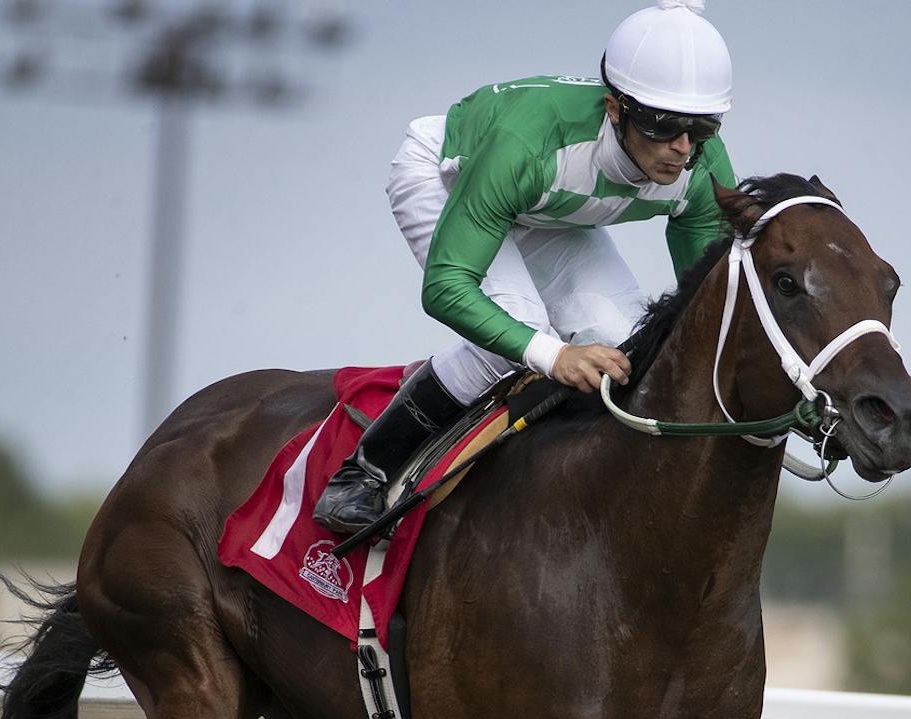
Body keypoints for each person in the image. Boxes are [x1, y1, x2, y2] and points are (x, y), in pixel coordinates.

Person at [311, 0, 741, 535]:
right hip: (449, 177)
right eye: (663, 125)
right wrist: (553, 354)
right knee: (521, 337)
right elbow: (446, 287)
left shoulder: (701, 164)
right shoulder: (524, 145)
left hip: (544, 209)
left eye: (701, 127)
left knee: (628, 347)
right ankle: (364, 472)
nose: (682, 148)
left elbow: (705, 303)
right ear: (614, 108)